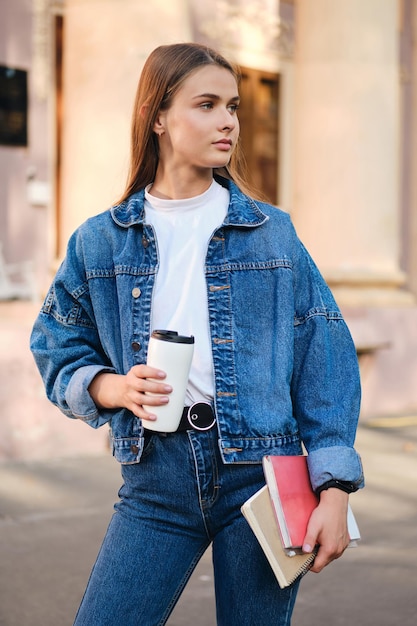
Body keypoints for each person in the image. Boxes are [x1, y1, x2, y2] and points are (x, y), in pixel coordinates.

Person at [30, 42, 364, 626]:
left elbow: (324, 355)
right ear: (158, 117)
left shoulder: (271, 233)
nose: (228, 120)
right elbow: (57, 342)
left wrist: (332, 488)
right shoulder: (101, 241)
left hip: (262, 476)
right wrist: (112, 388)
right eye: (206, 104)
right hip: (155, 477)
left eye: (232, 106)